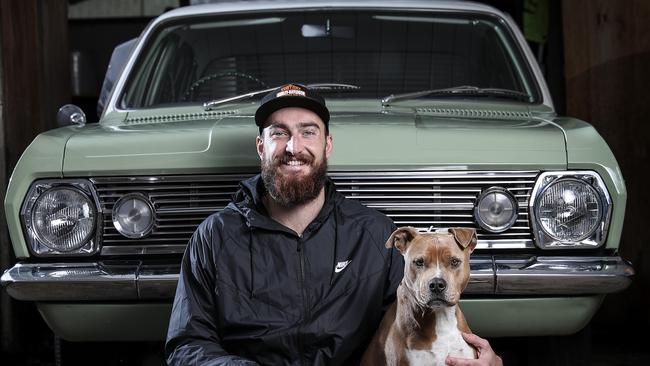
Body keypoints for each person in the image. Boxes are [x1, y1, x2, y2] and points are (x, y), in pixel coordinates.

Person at [165, 83, 502, 366]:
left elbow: (422, 315)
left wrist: (481, 358)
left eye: (307, 132)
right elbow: (187, 345)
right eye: (278, 134)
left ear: (327, 145)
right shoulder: (216, 236)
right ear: (261, 147)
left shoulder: (373, 234)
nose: (293, 148)